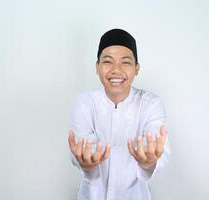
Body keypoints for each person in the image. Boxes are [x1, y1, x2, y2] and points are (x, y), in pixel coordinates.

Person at [68, 28, 170, 200]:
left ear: (136, 68)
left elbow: (159, 148)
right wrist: (88, 165)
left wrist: (149, 162)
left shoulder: (150, 104)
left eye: (125, 62)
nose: (116, 69)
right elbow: (83, 147)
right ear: (97, 66)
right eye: (108, 61)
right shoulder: (84, 103)